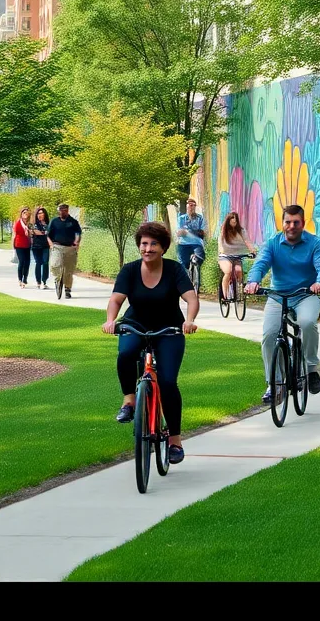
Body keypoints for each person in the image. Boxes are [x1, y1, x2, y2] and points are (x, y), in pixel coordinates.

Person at [102, 221, 199, 464]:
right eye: (144, 243)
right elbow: (116, 300)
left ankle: (175, 440)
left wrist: (189, 320)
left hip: (169, 329)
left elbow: (191, 298)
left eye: (154, 243)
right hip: (136, 325)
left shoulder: (174, 270)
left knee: (167, 382)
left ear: (163, 248)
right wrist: (111, 320)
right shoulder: (130, 270)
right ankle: (129, 401)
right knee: (126, 354)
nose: (148, 248)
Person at [244, 204, 320, 403]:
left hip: (305, 294)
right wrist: (253, 281)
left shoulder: (315, 243)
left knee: (307, 323)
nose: (291, 226)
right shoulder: (273, 243)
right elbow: (261, 263)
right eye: (287, 222)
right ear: (282, 223)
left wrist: (319, 282)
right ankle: (274, 384)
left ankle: (310, 369)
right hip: (277, 296)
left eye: (296, 222)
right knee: (269, 336)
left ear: (303, 223)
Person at [217, 210, 257, 298]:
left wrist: (253, 251)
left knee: (239, 271)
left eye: (235, 221)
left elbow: (247, 241)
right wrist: (222, 250)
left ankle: (239, 291)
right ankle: (225, 295)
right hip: (225, 256)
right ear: (228, 221)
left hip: (237, 256)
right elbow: (220, 243)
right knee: (228, 271)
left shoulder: (241, 231)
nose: (234, 223)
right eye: (232, 221)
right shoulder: (224, 231)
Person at [48, 203, 82, 300]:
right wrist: (51, 244)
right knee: (55, 265)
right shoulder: (54, 221)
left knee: (69, 270)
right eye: (61, 210)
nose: (63, 212)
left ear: (67, 211)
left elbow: (78, 233)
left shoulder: (73, 222)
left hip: (70, 248)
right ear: (58, 211)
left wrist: (76, 242)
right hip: (57, 247)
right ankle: (57, 280)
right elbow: (48, 235)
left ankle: (67, 289)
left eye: (65, 210)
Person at [176, 197, 207, 277]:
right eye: (190, 205)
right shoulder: (181, 218)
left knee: (200, 259)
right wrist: (196, 232)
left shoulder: (200, 218)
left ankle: (196, 281)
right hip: (183, 243)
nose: (192, 207)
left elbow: (203, 233)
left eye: (193, 205)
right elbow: (179, 233)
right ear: (186, 207)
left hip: (197, 243)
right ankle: (186, 279)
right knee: (184, 263)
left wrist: (187, 232)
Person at [12, 206, 34, 288]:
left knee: (27, 262)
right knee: (22, 261)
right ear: (21, 214)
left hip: (27, 245)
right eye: (24, 213)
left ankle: (25, 278)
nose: (26, 214)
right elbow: (16, 233)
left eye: (27, 213)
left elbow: (32, 233)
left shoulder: (29, 224)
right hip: (19, 245)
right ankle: (20, 279)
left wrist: (30, 232)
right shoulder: (18, 223)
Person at [31, 206, 52, 290]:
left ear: (44, 214)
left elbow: (51, 233)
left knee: (45, 262)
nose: (40, 215)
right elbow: (36, 232)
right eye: (38, 213)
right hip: (36, 246)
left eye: (41, 213)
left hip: (46, 246)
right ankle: (38, 282)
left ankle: (44, 281)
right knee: (38, 263)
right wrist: (45, 233)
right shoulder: (34, 224)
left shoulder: (49, 224)